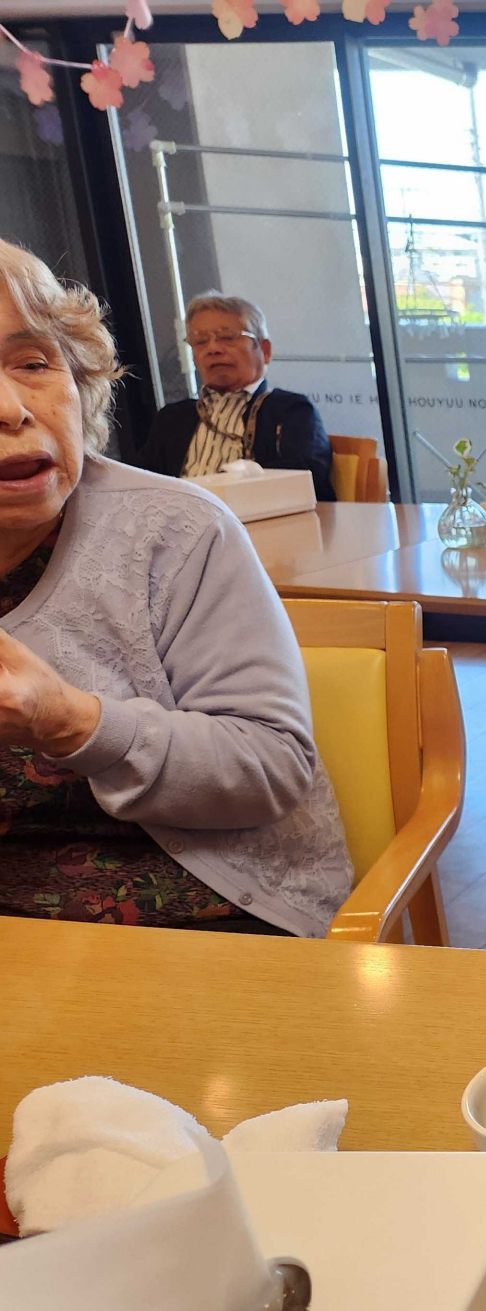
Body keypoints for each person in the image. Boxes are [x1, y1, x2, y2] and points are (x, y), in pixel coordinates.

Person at [0, 240, 352, 935]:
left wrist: (71, 721)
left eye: (34, 362)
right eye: (203, 341)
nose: (10, 409)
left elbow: (272, 764)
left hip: (192, 909)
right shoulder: (175, 419)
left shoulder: (186, 521)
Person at [137, 292, 337, 501]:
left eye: (227, 337)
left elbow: (306, 481)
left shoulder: (291, 411)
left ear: (265, 350)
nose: (212, 349)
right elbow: (139, 486)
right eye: (200, 341)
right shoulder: (172, 419)